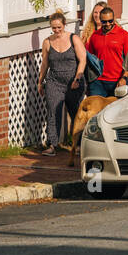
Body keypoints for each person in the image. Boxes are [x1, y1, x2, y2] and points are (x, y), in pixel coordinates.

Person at [37, 12, 86, 155]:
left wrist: (77, 79)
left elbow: (82, 60)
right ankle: (52, 144)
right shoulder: (47, 42)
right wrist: (41, 82)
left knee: (75, 112)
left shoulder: (73, 38)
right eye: (54, 28)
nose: (57, 31)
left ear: (64, 25)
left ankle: (78, 144)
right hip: (54, 81)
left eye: (59, 27)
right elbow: (45, 63)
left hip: (73, 81)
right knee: (53, 112)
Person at [85, 6, 128, 97]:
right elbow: (90, 59)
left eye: (110, 21)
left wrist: (124, 77)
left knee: (116, 110)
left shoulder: (124, 35)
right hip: (97, 82)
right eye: (104, 21)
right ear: (100, 20)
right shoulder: (95, 36)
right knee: (96, 110)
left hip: (117, 80)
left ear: (114, 19)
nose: (107, 24)